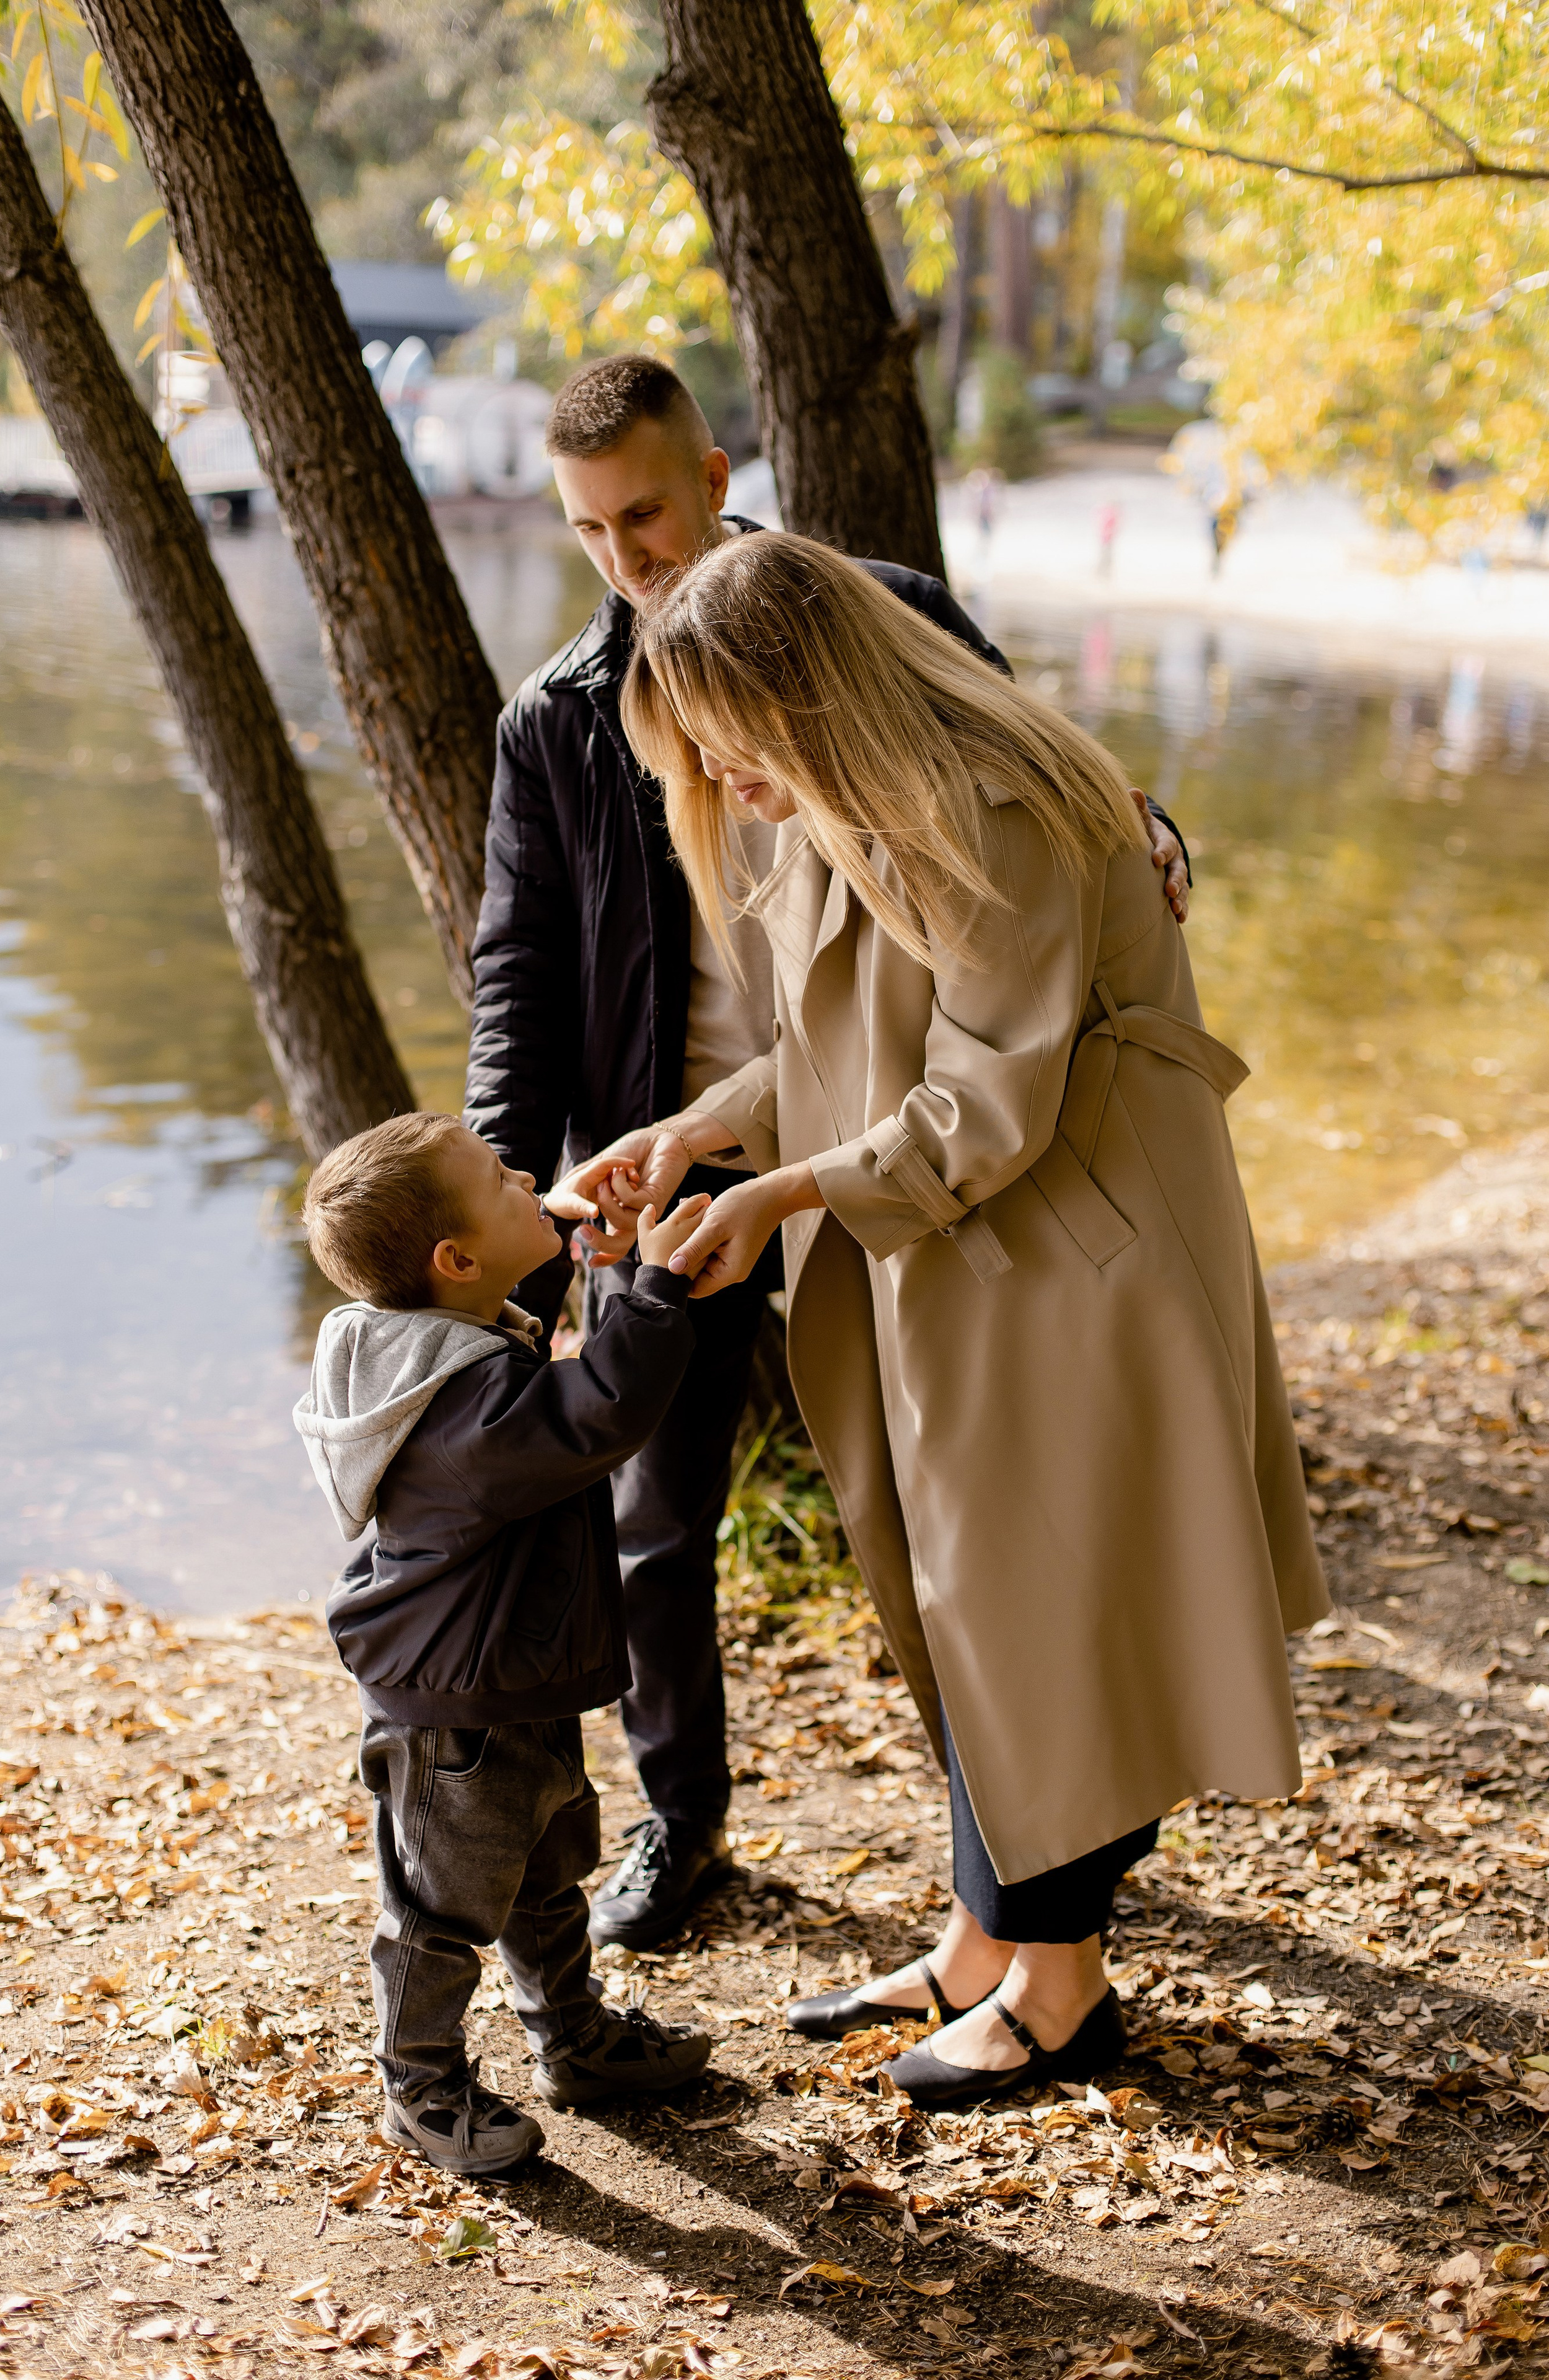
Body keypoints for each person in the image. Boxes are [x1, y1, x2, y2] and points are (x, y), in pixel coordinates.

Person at [556, 531, 1330, 2111]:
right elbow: (851, 1051)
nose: (712, 772)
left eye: (726, 734)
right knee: (964, 1595)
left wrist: (774, 1202)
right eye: (689, 742)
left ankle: (1061, 1989)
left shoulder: (994, 810)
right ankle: (984, 1943)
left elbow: (979, 1102)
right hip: (971, 1250)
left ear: (811, 693)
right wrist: (700, 1132)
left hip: (1079, 1252)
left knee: (1038, 1611)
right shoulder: (838, 808)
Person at [465, 351, 1193, 1951]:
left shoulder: (879, 616)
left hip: (900, 1132)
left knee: (958, 1506)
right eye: (589, 534)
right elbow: (515, 977)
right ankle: (689, 1823)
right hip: (703, 1149)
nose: (625, 562)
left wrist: (1152, 835)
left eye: (644, 516)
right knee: (662, 1520)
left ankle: (1023, 1884)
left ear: (713, 476)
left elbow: (1035, 793)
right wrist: (509, 1218)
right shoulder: (561, 717)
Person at [292, 1111, 715, 2174]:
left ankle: (570, 2039)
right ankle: (421, 2089)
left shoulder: (441, 1348)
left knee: (545, 1875)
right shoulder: (462, 1414)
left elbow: (511, 1326)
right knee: (440, 1912)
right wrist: (653, 1289)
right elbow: (593, 1413)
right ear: (457, 1259)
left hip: (511, 1685)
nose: (529, 1171)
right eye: (501, 1177)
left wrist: (587, 1244)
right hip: (454, 1721)